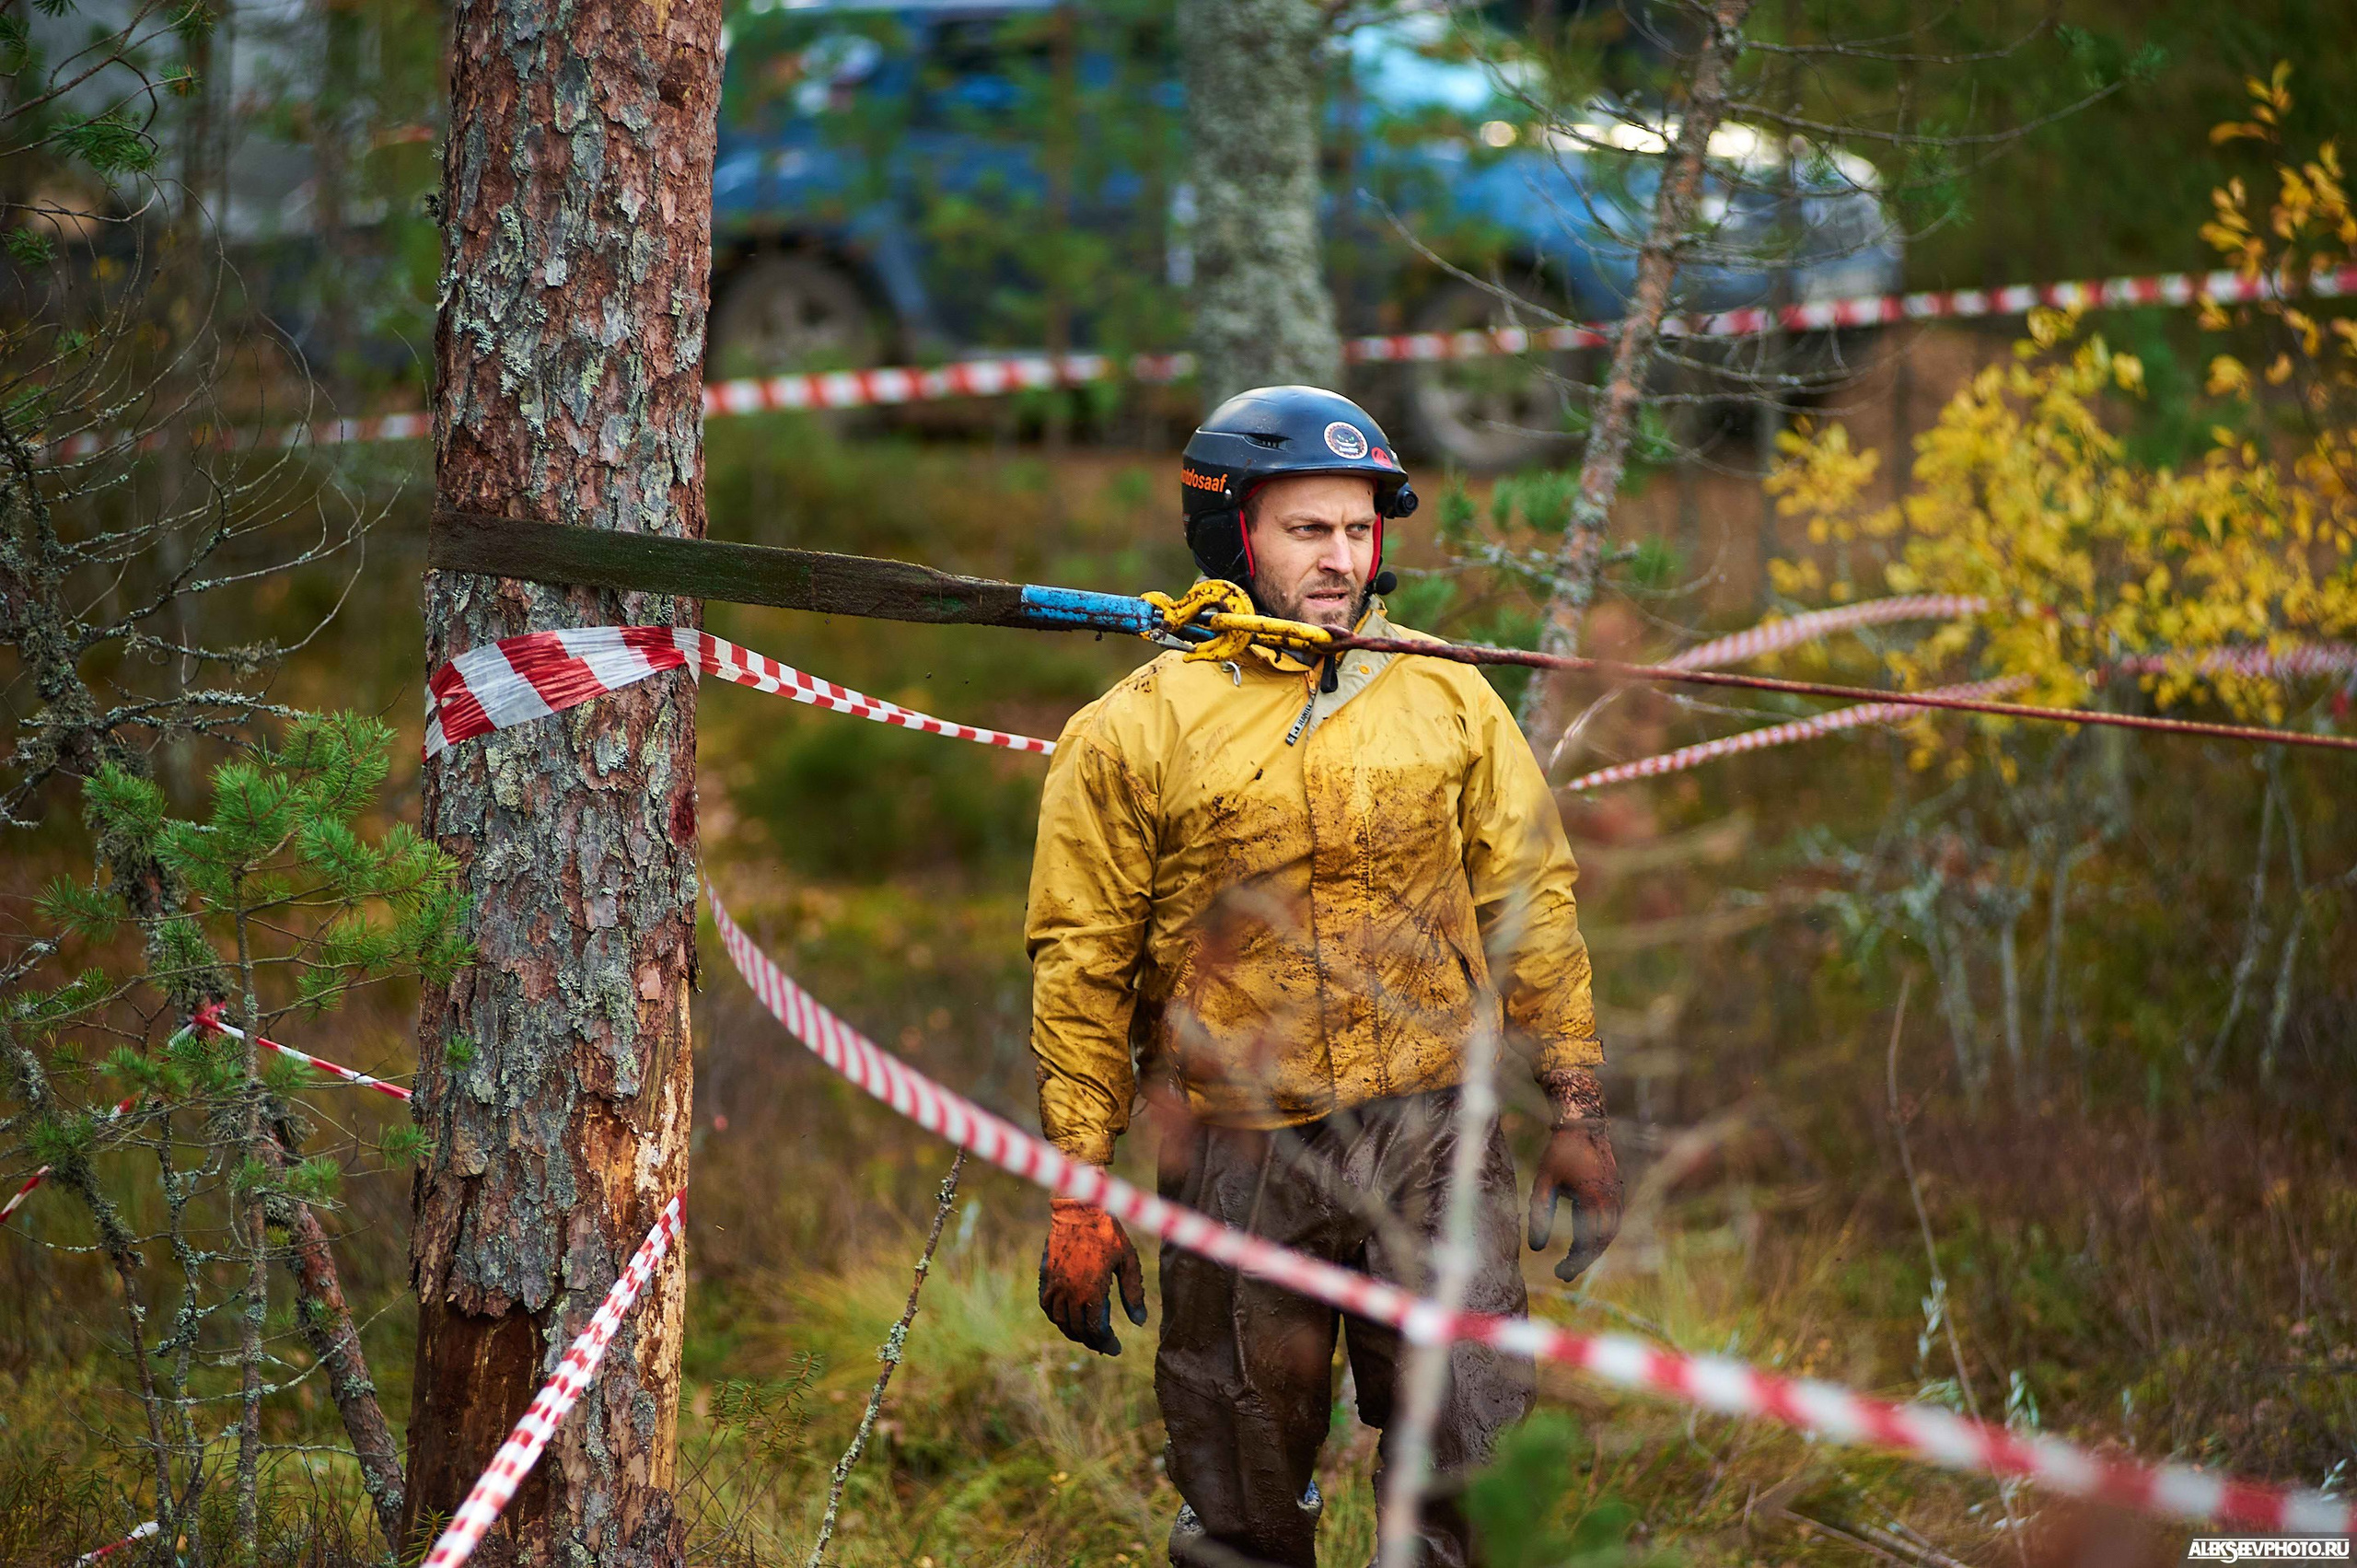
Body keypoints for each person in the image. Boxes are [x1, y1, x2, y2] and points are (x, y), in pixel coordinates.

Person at [1025, 385, 1621, 1567]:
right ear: (1233, 533)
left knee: (1470, 1461)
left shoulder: (1446, 693)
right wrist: (1077, 1185)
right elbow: (1081, 966)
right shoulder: (1133, 730)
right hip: (1239, 1151)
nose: (1341, 558)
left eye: (1358, 530)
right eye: (1308, 530)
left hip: (1435, 1138)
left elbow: (1530, 900)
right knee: (1242, 1480)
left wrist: (1579, 1103)